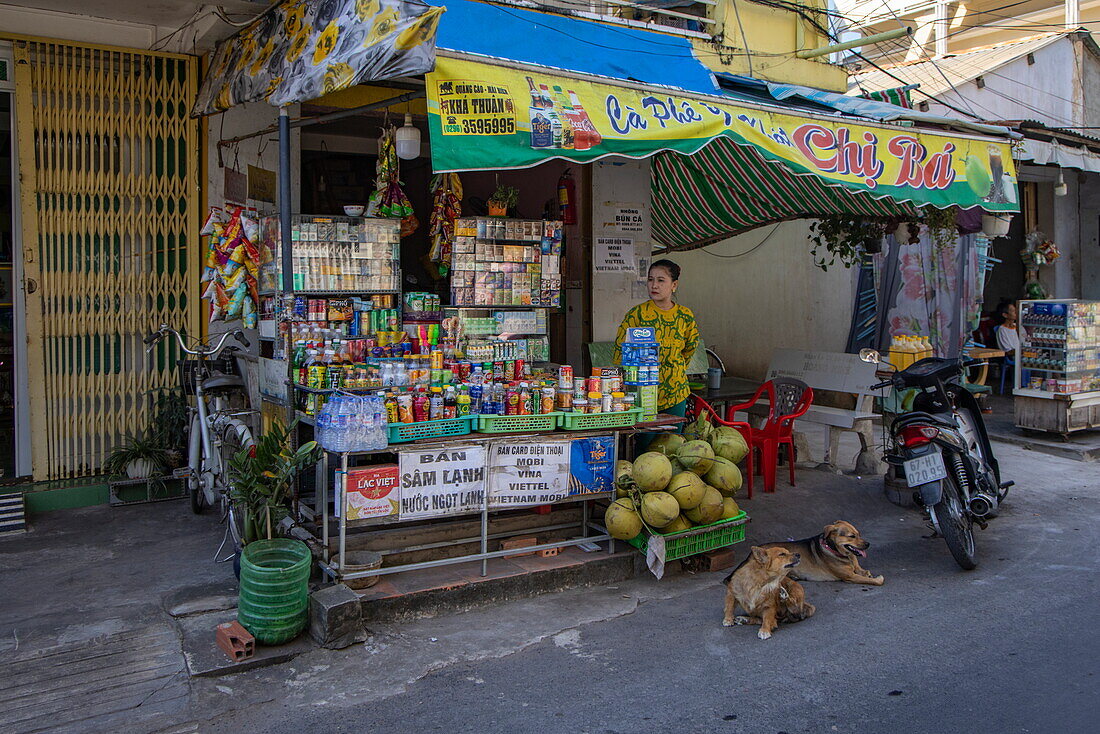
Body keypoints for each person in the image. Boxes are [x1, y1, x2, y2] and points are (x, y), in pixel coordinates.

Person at [615, 259, 699, 419]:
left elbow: (690, 349)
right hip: (642, 393)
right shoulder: (637, 314)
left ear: (674, 285)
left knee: (674, 441)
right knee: (644, 442)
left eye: (661, 280)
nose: (654, 285)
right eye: (650, 279)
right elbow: (621, 350)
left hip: (676, 391)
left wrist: (675, 370)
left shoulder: (685, 316)